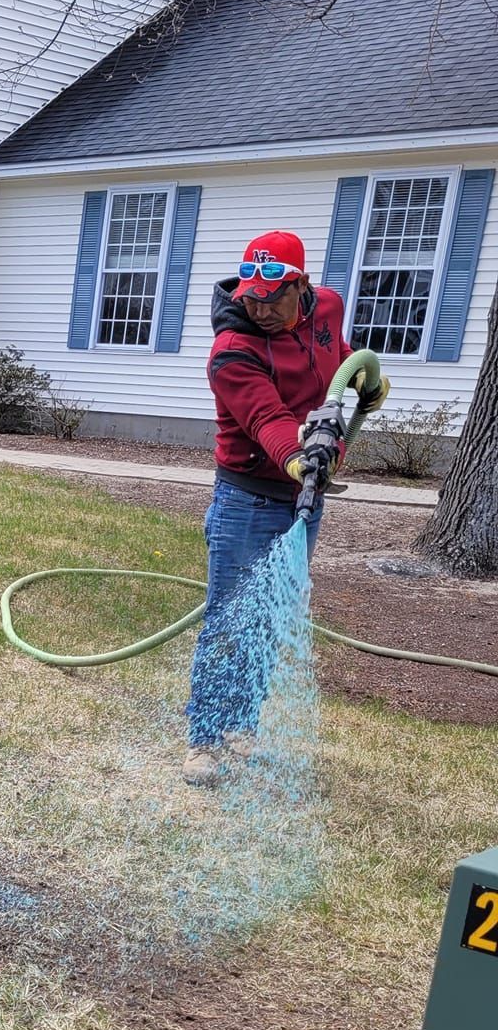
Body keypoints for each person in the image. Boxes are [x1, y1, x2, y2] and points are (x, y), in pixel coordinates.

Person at [183, 228, 386, 786]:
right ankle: (204, 740)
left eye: (274, 297)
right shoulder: (232, 351)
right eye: (252, 297)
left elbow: (337, 360)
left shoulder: (328, 307)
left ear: (300, 285)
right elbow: (266, 419)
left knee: (269, 618)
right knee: (230, 620)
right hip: (248, 495)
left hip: (305, 497)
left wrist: (366, 378)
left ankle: (240, 726)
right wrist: (300, 460)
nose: (261, 308)